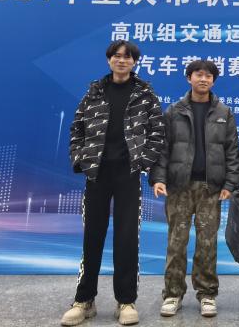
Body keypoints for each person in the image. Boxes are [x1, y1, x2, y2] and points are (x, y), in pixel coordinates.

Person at [61, 40, 166, 327]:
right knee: (92, 237)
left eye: (127, 57)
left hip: (128, 175)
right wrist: (81, 159)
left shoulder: (145, 94)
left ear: (134, 62)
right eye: (117, 56)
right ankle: (84, 300)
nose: (122, 60)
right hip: (97, 174)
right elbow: (77, 127)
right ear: (109, 60)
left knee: (127, 238)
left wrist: (143, 161)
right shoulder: (94, 91)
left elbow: (158, 132)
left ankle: (126, 301)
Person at [151, 59, 239, 318]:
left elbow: (232, 151)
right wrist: (159, 178)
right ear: (188, 78)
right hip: (179, 187)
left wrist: (230, 184)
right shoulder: (174, 111)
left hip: (210, 188)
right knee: (176, 243)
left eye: (208, 76)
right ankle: (172, 294)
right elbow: (163, 149)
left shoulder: (223, 112)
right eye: (198, 75)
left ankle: (207, 294)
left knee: (207, 244)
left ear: (213, 80)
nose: (203, 79)